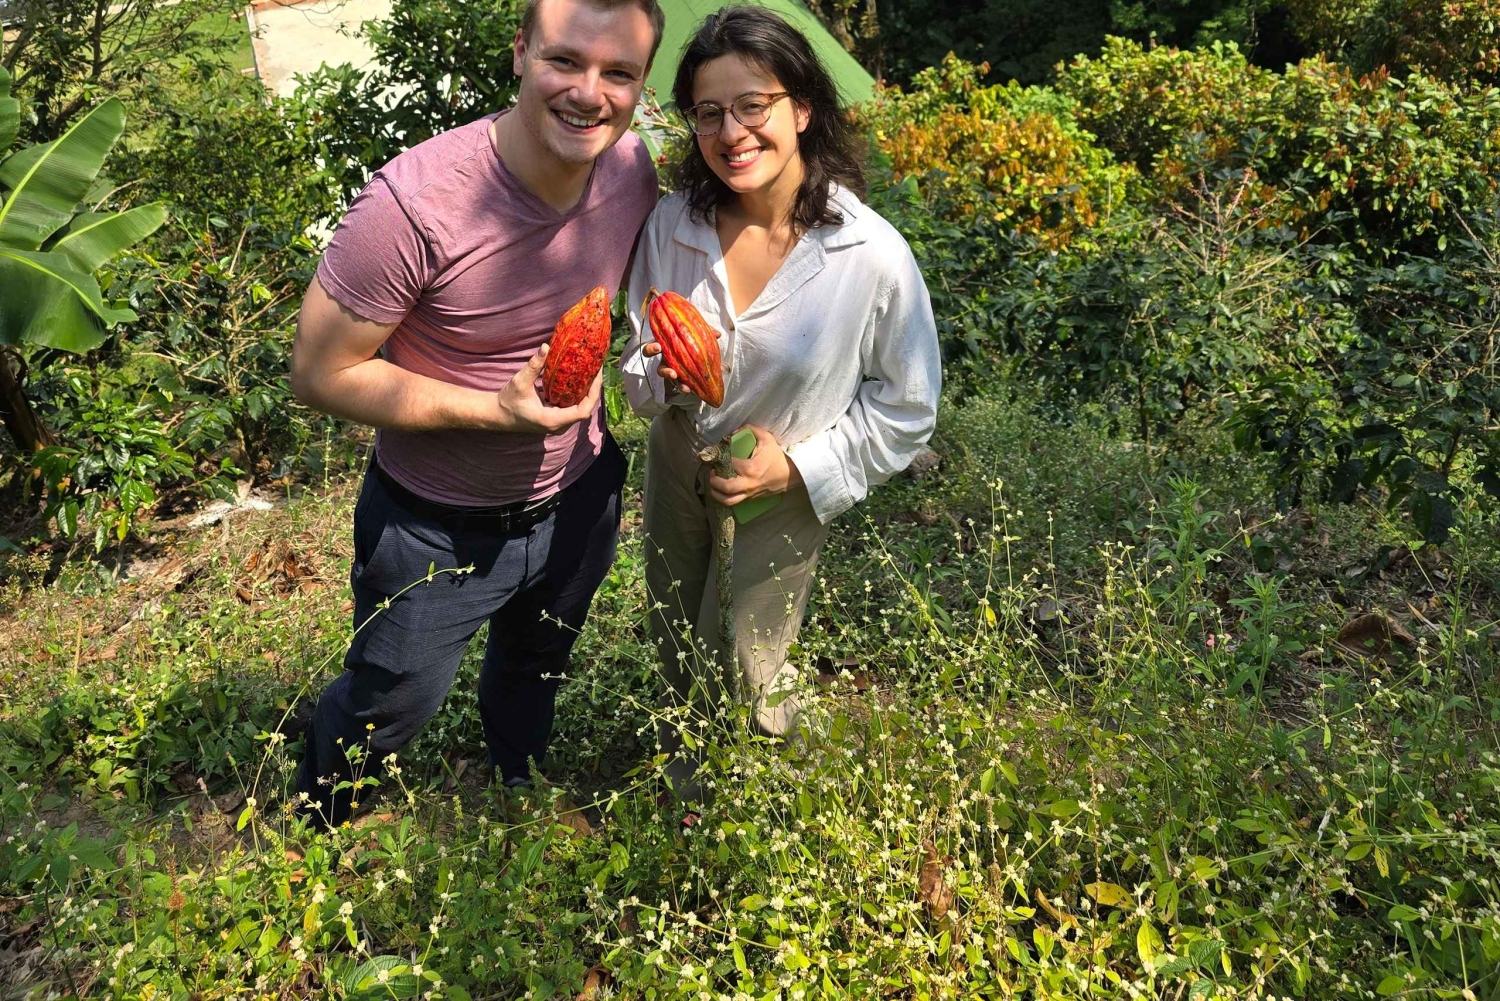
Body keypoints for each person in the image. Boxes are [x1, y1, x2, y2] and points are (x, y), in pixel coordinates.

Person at [288, 0, 665, 829]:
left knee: (536, 667)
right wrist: (493, 412)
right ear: (521, 51)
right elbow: (317, 372)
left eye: (620, 74)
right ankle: (314, 824)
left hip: (580, 494)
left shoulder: (634, 168)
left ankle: (516, 791)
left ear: (641, 85)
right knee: (391, 702)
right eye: (565, 61)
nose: (589, 93)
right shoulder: (416, 204)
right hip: (435, 524)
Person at [620, 5, 941, 801]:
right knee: (670, 630)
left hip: (782, 481)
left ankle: (764, 803)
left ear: (800, 108)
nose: (733, 131)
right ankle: (683, 787)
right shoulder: (671, 225)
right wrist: (660, 374)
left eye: (753, 105)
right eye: (708, 112)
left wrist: (795, 470)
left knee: (753, 657)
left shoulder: (868, 256)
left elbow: (906, 408)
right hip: (677, 456)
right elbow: (633, 368)